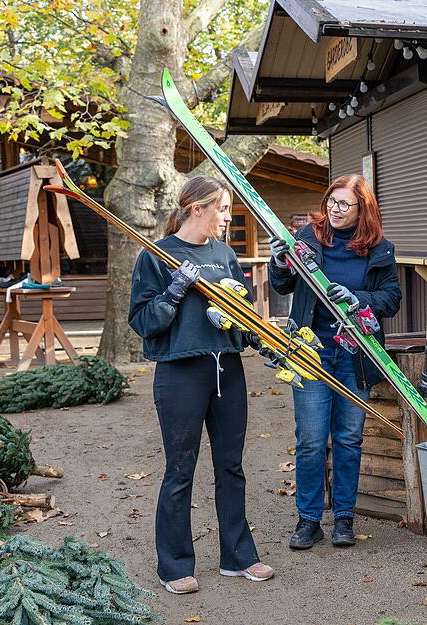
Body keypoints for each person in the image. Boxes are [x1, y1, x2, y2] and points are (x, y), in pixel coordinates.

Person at [128, 176, 274, 594]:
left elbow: (241, 311)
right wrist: (175, 291)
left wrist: (259, 336)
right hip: (180, 372)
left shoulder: (225, 255)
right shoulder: (156, 256)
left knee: (232, 466)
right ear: (198, 208)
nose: (228, 217)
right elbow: (143, 322)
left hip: (226, 368)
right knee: (180, 470)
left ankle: (238, 556)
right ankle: (174, 565)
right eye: (223, 209)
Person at [269, 174, 401, 550]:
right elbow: (283, 285)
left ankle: (344, 518)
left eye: (344, 205)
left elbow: (391, 298)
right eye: (332, 202)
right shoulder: (308, 240)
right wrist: (279, 262)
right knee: (311, 439)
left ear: (363, 210)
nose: (335, 210)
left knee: (348, 437)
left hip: (355, 354)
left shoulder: (380, 250)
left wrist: (359, 297)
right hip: (311, 352)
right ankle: (308, 520)